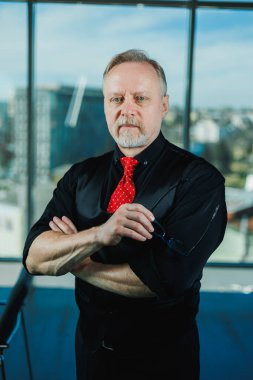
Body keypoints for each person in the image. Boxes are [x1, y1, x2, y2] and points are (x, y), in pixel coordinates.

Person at [23, 49, 227, 380]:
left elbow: (165, 280)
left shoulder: (200, 181)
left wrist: (74, 257)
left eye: (140, 98)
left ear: (163, 105)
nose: (126, 109)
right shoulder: (80, 176)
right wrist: (97, 235)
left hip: (164, 363)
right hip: (91, 357)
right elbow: (33, 257)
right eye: (116, 98)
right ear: (105, 105)